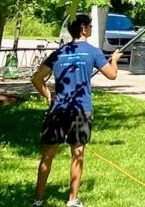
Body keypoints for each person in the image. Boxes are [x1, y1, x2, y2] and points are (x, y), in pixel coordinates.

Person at [30, 14, 122, 207]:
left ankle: (38, 199)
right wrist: (114, 59)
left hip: (58, 111)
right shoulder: (93, 52)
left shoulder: (59, 53)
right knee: (77, 153)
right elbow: (112, 75)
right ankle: (72, 200)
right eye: (90, 26)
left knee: (48, 154)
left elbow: (36, 79)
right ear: (83, 29)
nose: (91, 29)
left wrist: (49, 96)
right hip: (81, 110)